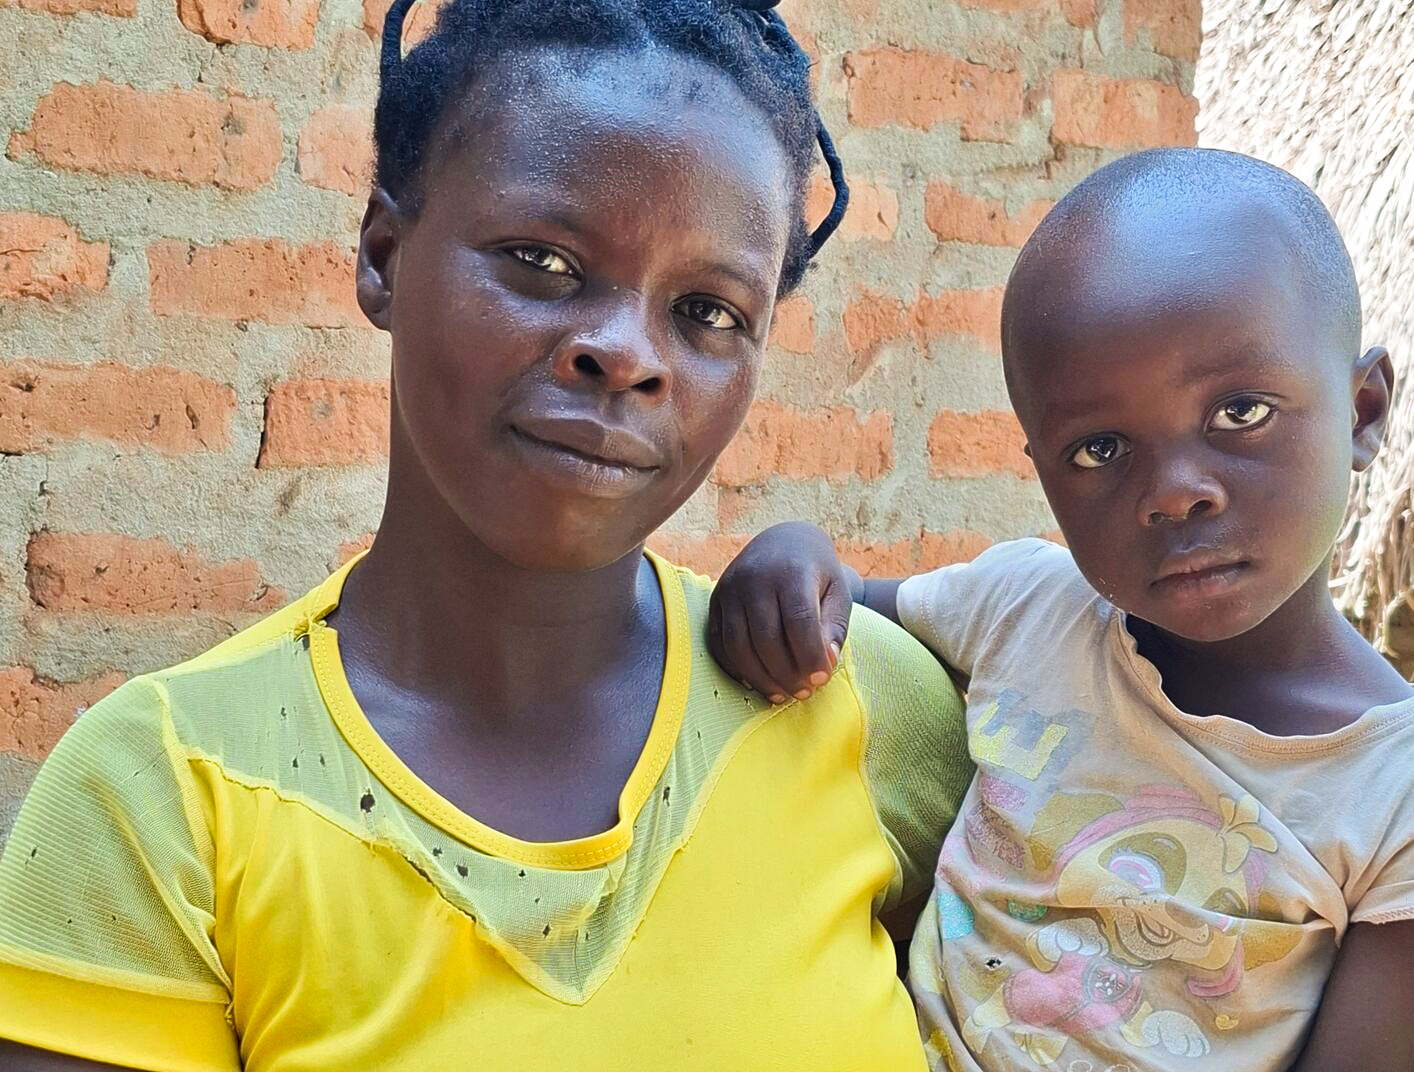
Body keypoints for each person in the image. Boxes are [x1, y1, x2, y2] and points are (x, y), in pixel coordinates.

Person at [0, 1, 975, 1068]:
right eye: (542, 263)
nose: (625, 351)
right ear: (382, 255)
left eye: (708, 312)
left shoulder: (861, 707)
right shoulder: (168, 793)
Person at [708, 148, 1414, 1072]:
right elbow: (827, 608)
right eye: (1098, 450)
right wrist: (792, 549)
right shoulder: (1028, 608)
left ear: (1363, 412)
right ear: (1041, 470)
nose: (1175, 492)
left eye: (1240, 412)